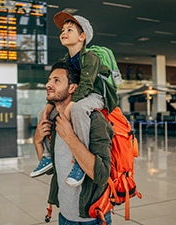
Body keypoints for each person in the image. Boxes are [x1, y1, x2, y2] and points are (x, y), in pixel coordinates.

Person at [30, 11, 118, 187]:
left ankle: (80, 160)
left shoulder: (90, 57)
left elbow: (85, 85)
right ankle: (47, 156)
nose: (63, 32)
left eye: (69, 29)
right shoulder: (66, 60)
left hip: (98, 94)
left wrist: (69, 106)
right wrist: (49, 107)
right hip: (81, 95)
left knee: (78, 109)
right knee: (44, 112)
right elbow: (64, 85)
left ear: (82, 36)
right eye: (62, 30)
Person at [33, 61, 113, 224]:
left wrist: (70, 136)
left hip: (91, 218)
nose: (48, 84)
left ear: (72, 88)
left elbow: (102, 175)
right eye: (49, 80)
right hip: (64, 215)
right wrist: (37, 142)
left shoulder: (94, 120)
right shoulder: (54, 120)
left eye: (57, 80)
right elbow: (52, 170)